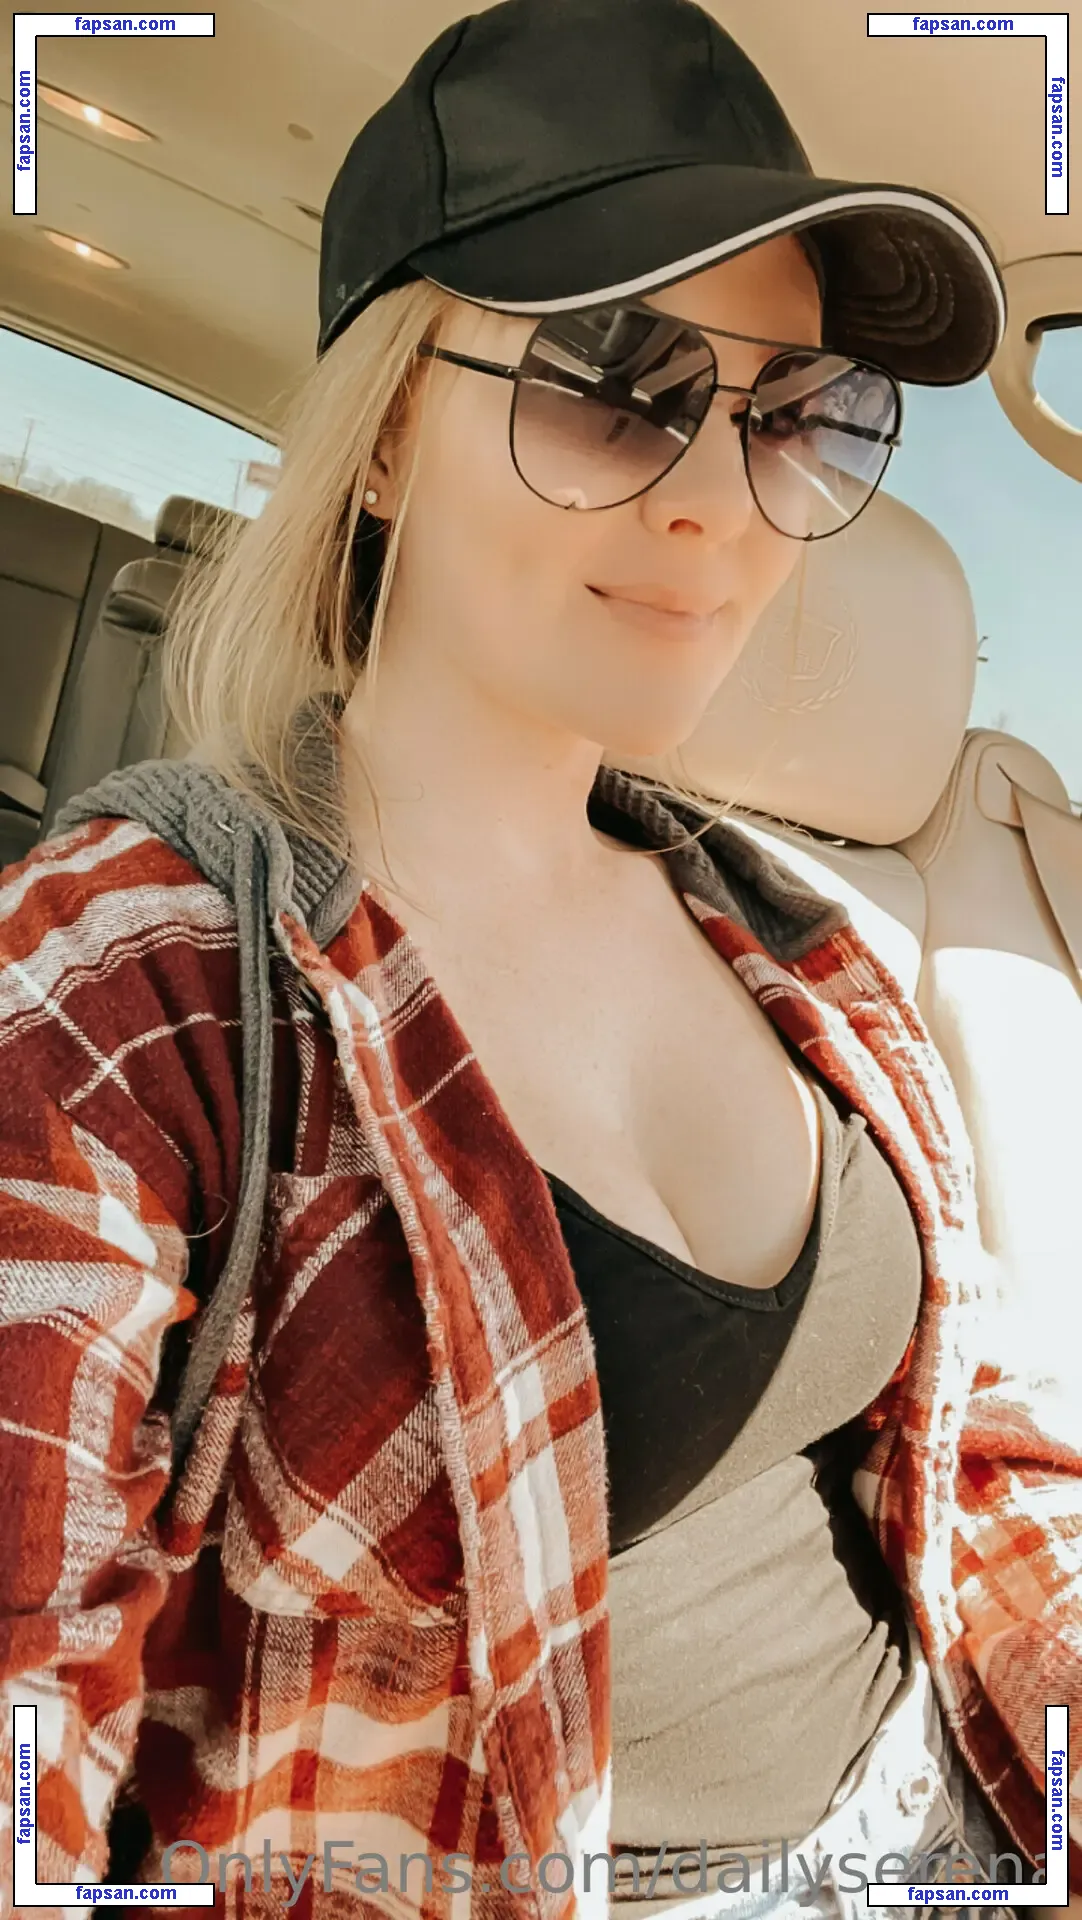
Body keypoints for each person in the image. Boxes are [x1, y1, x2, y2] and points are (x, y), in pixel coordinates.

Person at [0, 2, 1078, 1917]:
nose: (715, 501)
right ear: (384, 438)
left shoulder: (800, 944)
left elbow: (963, 1452)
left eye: (791, 413)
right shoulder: (142, 973)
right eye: (609, 379)